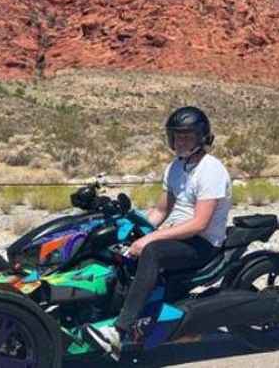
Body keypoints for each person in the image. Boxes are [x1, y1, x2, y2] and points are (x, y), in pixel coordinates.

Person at [87, 106, 232, 360]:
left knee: (151, 252)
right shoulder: (175, 167)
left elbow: (199, 223)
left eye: (187, 136)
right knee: (119, 247)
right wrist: (133, 232)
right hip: (177, 235)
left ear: (201, 137)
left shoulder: (211, 169)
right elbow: (160, 210)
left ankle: (120, 330)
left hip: (203, 242)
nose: (180, 141)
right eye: (177, 136)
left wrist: (150, 239)